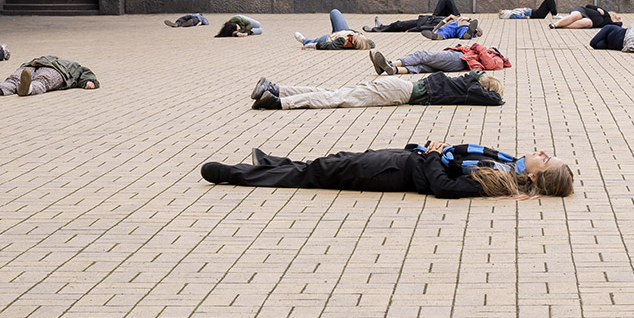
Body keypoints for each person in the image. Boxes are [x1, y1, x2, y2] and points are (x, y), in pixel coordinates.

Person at [200, 141, 575, 199]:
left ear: (538, 176)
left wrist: (430, 154)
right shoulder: (507, 164)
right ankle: (268, 163)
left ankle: (234, 175)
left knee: (317, 174)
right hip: (403, 158)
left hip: (396, 172)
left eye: (547, 159)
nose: (542, 152)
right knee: (334, 161)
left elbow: (442, 187)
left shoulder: (498, 181)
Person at [249, 70, 504, 110]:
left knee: (332, 92)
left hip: (398, 87)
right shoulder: (469, 89)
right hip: (399, 93)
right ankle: (277, 102)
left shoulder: (460, 83)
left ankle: (277, 89)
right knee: (336, 98)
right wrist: (497, 94)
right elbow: (492, 100)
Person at [0, 56, 99, 97]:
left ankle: (27, 88)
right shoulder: (45, 58)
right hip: (32, 65)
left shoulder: (74, 66)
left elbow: (85, 72)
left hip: (56, 71)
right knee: (15, 79)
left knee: (42, 80)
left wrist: (90, 81)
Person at [371, 44, 511, 75]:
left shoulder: (498, 60)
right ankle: (393, 70)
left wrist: (479, 48)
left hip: (459, 59)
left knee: (422, 55)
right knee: (422, 67)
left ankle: (389, 63)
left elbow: (490, 65)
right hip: (458, 61)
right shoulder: (494, 55)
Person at [364, 0, 462, 32]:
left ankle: (377, 28)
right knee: (446, 1)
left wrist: (412, 30)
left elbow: (431, 28)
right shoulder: (457, 20)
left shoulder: (447, 27)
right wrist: (456, 18)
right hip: (433, 18)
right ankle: (380, 27)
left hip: (427, 22)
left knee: (399, 24)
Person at [295, 9, 375, 50]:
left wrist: (311, 45)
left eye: (357, 35)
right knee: (335, 12)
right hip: (343, 30)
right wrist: (364, 42)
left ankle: (304, 40)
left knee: (318, 40)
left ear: (353, 42)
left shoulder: (340, 43)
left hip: (330, 38)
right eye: (360, 34)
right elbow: (372, 43)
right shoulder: (363, 42)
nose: (358, 33)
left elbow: (326, 45)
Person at [550, 5, 622, 29]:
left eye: (615, 16)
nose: (614, 15)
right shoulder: (603, 11)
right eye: (613, 14)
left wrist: (618, 21)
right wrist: (597, 8)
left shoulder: (609, 23)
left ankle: (562, 25)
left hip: (590, 20)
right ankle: (555, 24)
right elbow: (588, 6)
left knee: (588, 22)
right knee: (577, 15)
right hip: (583, 11)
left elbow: (619, 25)